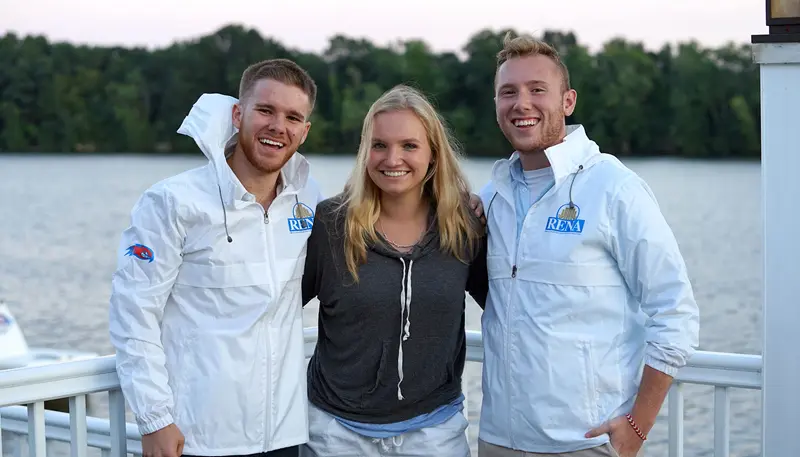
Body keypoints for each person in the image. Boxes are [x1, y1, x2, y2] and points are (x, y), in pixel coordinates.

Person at [476, 33, 700, 457]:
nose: (521, 103)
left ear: (568, 101)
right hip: (497, 440)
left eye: (537, 90)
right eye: (509, 92)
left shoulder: (614, 189)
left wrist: (638, 425)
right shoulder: (492, 196)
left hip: (586, 442)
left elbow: (675, 314)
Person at [109, 58, 323, 457]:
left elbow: (374, 216)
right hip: (198, 438)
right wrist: (155, 418)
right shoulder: (172, 201)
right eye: (265, 110)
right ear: (238, 114)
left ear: (304, 131)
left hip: (284, 436)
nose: (279, 126)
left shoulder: (309, 200)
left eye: (293, 117)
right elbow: (133, 313)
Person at [300, 84, 488, 457]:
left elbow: (511, 306)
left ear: (433, 154)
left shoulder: (464, 226)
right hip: (336, 434)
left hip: (435, 434)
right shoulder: (330, 224)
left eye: (409, 145)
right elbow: (273, 310)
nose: (392, 158)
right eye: (380, 145)